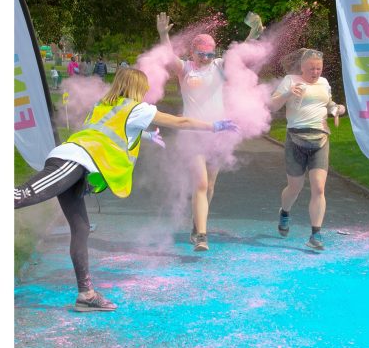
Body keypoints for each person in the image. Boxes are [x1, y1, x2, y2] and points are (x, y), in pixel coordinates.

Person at [14, 68, 238, 312]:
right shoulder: (137, 108)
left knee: (81, 228)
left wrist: (146, 137)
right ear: (137, 87)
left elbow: (110, 131)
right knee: (22, 195)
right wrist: (213, 126)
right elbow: (180, 121)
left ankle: (86, 294)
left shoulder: (104, 105)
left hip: (80, 166)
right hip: (73, 160)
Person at [156, 11, 262, 252]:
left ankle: (197, 225)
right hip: (193, 135)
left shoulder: (219, 66)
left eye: (210, 53)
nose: (205, 58)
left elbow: (240, 54)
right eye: (201, 53)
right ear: (192, 52)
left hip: (218, 134)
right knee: (201, 184)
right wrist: (164, 34)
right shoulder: (185, 69)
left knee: (210, 186)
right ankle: (202, 235)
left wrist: (253, 34)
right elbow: (169, 57)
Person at [268, 48, 346, 251]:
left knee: (319, 187)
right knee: (295, 187)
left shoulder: (324, 83)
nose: (315, 72)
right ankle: (285, 212)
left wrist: (336, 109)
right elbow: (272, 105)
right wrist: (287, 93)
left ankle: (315, 234)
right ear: (302, 67)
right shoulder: (290, 80)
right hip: (295, 138)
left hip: (320, 138)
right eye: (311, 68)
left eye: (319, 68)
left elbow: (328, 103)